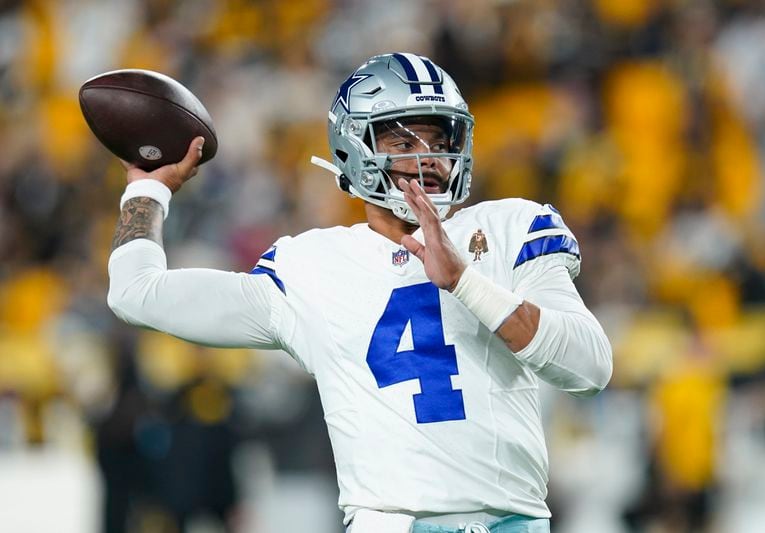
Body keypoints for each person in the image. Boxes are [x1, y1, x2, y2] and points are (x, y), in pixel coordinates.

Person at [107, 53, 613, 533]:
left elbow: (590, 367)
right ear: (355, 149)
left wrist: (465, 282)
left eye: (440, 138)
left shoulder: (510, 228)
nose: (430, 158)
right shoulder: (310, 267)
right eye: (405, 143)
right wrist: (147, 190)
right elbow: (136, 293)